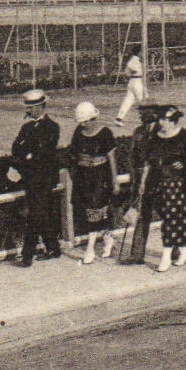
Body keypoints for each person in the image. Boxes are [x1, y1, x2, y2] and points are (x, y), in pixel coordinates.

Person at [139, 107, 186, 273]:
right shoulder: (154, 138)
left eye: (164, 119)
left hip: (179, 184)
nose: (160, 122)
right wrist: (143, 182)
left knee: (171, 218)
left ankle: (166, 256)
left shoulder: (185, 136)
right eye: (159, 119)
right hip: (158, 183)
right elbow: (148, 163)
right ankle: (184, 251)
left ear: (173, 120)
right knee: (173, 217)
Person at [8, 89, 63, 266]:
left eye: (31, 107)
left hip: (44, 179)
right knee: (42, 214)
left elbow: (44, 152)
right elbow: (16, 148)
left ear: (41, 107)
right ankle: (53, 248)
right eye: (27, 107)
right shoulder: (26, 127)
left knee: (35, 216)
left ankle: (27, 256)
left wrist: (28, 155)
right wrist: (28, 155)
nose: (28, 111)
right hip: (30, 178)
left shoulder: (52, 127)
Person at [67, 101, 119, 264]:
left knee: (95, 211)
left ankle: (89, 249)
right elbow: (73, 154)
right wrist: (80, 160)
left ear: (94, 118)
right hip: (83, 177)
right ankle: (108, 238)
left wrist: (115, 181)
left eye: (87, 121)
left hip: (100, 178)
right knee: (89, 213)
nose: (84, 124)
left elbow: (111, 158)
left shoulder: (105, 133)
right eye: (81, 122)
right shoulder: (78, 133)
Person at [114, 48, 148, 129]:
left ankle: (119, 118)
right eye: (142, 51)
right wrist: (135, 70)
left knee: (128, 101)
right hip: (137, 82)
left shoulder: (137, 60)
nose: (143, 53)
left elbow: (126, 71)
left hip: (133, 81)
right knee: (144, 100)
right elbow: (130, 67)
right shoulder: (134, 59)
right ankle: (147, 120)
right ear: (138, 52)